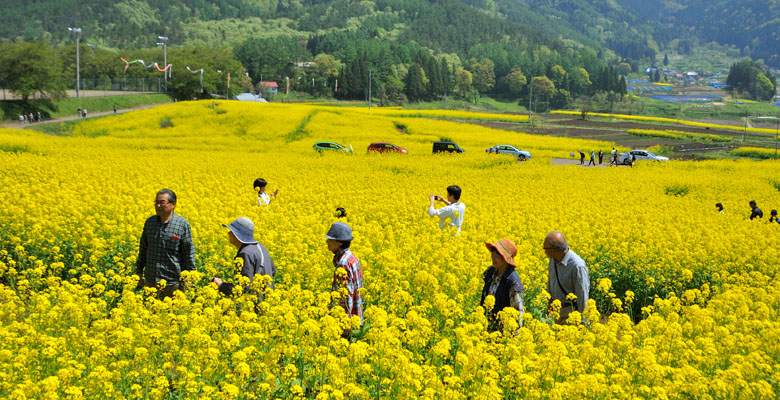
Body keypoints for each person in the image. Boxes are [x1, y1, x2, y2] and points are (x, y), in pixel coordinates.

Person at [136, 189, 196, 299]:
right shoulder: (150, 222)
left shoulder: (182, 224)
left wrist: (189, 277)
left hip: (172, 282)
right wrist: (138, 271)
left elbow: (188, 253)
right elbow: (143, 249)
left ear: (173, 204)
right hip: (151, 281)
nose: (158, 205)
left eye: (162, 202)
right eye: (156, 202)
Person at [213, 217, 275, 296]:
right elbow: (272, 271)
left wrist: (221, 285)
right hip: (268, 299)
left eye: (231, 231)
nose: (228, 233)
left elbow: (244, 288)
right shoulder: (261, 247)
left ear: (237, 235)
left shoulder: (245, 253)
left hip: (255, 303)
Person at [544, 231, 590, 324]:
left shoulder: (577, 266)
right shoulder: (552, 261)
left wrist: (583, 321)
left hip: (571, 313)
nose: (544, 251)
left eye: (546, 248)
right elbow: (550, 284)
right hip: (555, 312)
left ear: (555, 250)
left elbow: (583, 294)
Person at [325, 222, 364, 328]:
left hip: (346, 322)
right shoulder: (351, 257)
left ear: (340, 243)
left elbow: (345, 296)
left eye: (330, 239)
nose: (327, 241)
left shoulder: (343, 264)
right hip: (356, 317)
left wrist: (344, 322)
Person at [480, 239, 525, 332]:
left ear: (505, 258)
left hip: (504, 332)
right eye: (492, 254)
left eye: (497, 256)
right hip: (486, 330)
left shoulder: (513, 281)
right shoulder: (490, 273)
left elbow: (518, 312)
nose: (493, 258)